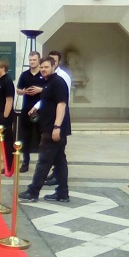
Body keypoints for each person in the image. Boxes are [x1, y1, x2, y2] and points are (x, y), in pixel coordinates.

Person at [19, 56, 71, 203]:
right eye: (41, 67)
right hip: (50, 127)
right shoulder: (49, 83)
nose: (43, 70)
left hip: (53, 130)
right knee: (60, 161)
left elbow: (61, 105)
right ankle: (62, 193)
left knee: (43, 161)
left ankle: (33, 191)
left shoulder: (58, 83)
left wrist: (57, 127)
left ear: (53, 66)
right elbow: (47, 102)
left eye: (46, 67)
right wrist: (36, 108)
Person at [45, 50, 73, 186]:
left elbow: (62, 101)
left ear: (58, 62)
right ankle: (57, 177)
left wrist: (57, 125)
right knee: (59, 155)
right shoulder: (50, 78)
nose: (52, 63)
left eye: (54, 61)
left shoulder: (62, 77)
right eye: (50, 60)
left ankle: (56, 179)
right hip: (52, 120)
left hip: (60, 120)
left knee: (59, 153)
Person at [15, 51, 46, 173]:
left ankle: (41, 162)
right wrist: (24, 92)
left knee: (41, 137)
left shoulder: (43, 74)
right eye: (30, 60)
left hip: (41, 110)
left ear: (39, 60)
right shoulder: (24, 75)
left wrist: (40, 90)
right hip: (26, 109)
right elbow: (18, 90)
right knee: (25, 137)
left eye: (34, 60)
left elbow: (49, 89)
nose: (32, 62)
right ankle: (25, 161)